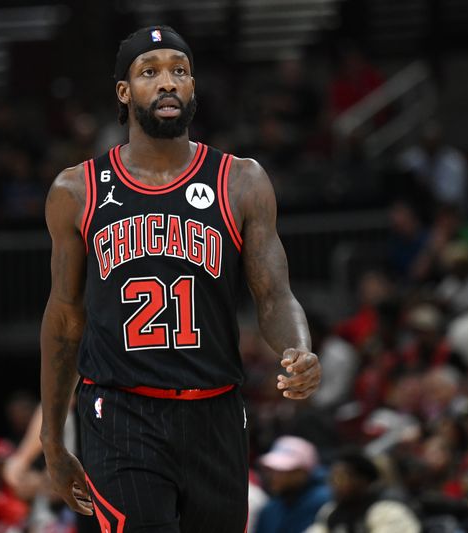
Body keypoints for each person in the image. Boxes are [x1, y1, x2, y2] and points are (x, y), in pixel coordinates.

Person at [39, 25, 322, 533]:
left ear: (193, 88)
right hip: (121, 411)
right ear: (124, 93)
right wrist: (52, 437)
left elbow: (275, 295)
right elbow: (63, 318)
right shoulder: (76, 189)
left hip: (215, 410)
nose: (167, 82)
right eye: (150, 72)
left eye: (180, 71)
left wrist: (298, 348)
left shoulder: (241, 180)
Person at [255, 436, 331, 533]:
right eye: (272, 470)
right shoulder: (270, 509)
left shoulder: (325, 500)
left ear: (303, 472)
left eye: (283, 471)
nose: (274, 476)